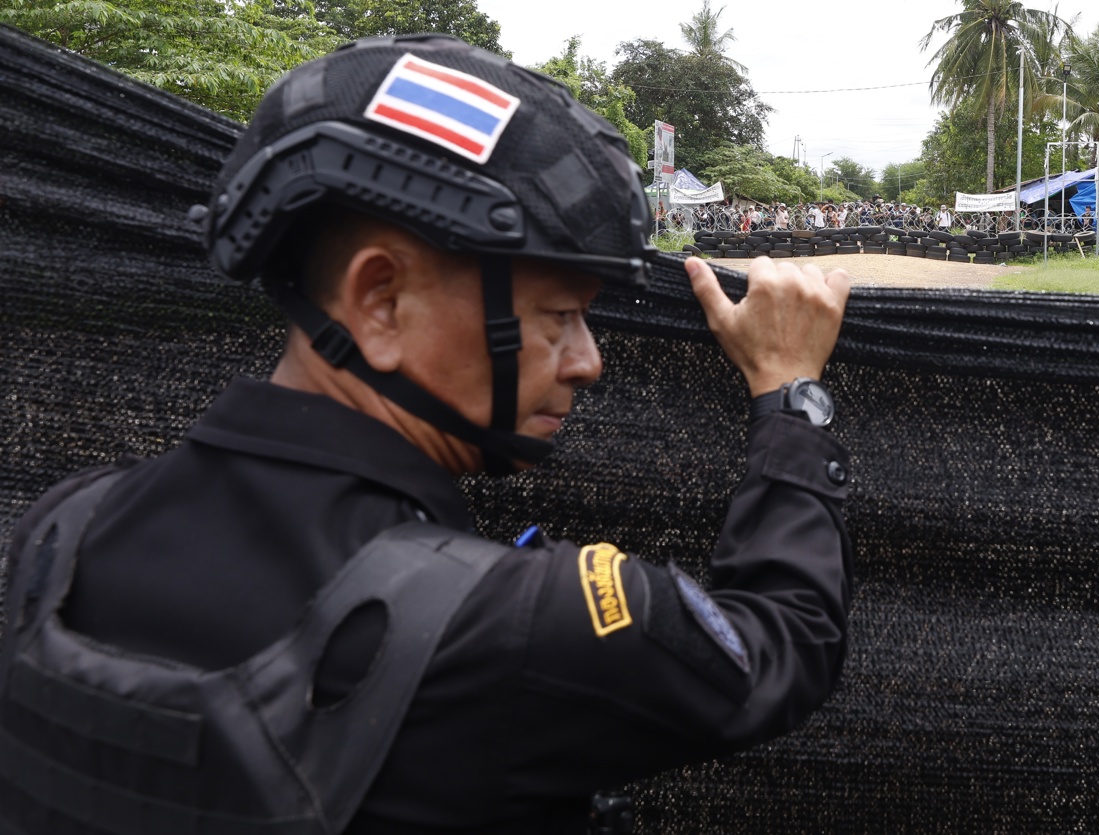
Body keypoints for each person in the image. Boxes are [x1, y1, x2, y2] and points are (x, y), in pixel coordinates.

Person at [0, 34, 854, 835]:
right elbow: (781, 642)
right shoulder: (515, 625)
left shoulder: (56, 536)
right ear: (381, 301)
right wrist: (790, 395)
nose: (588, 361)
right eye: (558, 316)